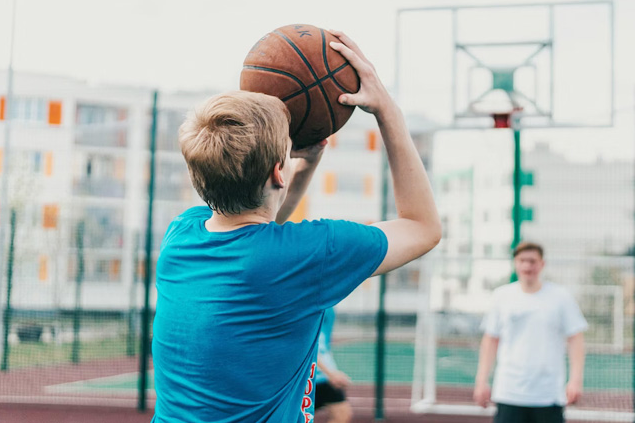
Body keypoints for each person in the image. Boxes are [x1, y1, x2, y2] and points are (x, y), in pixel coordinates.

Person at [151, 30, 441, 423]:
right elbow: (421, 226)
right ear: (276, 172)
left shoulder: (181, 236)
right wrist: (387, 110)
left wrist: (301, 166)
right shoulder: (311, 252)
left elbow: (258, 231)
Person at [473, 242, 587, 423]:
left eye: (532, 261)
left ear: (542, 264)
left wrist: (575, 380)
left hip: (548, 394)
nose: (527, 266)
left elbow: (576, 339)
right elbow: (490, 341)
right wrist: (481, 381)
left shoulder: (561, 297)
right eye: (522, 260)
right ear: (515, 263)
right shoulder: (501, 296)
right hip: (509, 392)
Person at [314, 307, 353, 423]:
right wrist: (331, 374)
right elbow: (308, 351)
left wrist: (332, 372)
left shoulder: (329, 310)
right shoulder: (307, 310)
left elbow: (324, 346)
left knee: (342, 413)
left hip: (324, 378)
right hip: (309, 379)